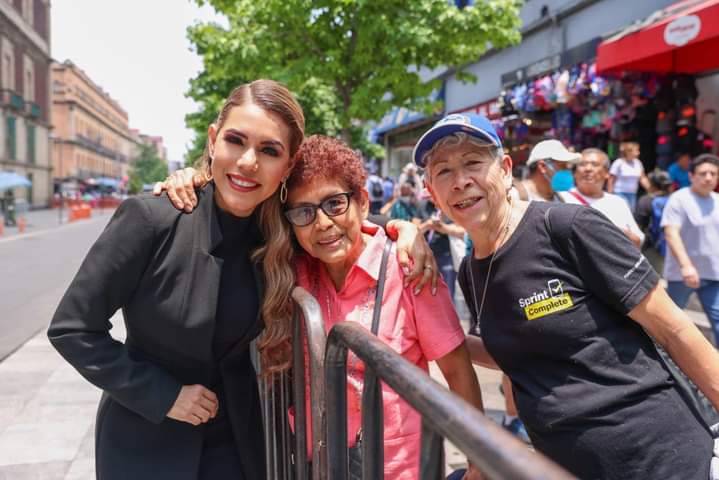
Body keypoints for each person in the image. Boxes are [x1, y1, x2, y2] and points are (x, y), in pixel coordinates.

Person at [47, 80, 435, 480]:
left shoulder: (276, 237)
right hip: (146, 442)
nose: (249, 162)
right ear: (214, 141)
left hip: (240, 446)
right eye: (236, 141)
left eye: (269, 151)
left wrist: (402, 230)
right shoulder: (151, 219)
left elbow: (339, 229)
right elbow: (72, 329)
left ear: (287, 166)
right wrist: (163, 395)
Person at [413, 112, 719, 480]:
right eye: (444, 171)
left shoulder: (569, 228)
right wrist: (434, 338)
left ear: (506, 169)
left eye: (473, 163)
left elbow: (676, 331)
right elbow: (515, 346)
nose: (460, 181)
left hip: (660, 458)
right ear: (431, 191)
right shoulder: (471, 273)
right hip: (564, 467)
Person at [285, 135, 484, 479]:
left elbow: (458, 371)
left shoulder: (409, 267)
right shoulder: (295, 271)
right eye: (304, 211)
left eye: (335, 204)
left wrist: (477, 464)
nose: (322, 223)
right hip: (317, 465)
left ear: (362, 202)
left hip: (398, 468)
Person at [661, 154, 719, 344]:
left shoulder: (717, 201)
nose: (708, 177)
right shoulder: (679, 199)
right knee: (669, 324)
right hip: (682, 276)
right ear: (692, 176)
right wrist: (686, 266)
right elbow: (671, 233)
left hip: (713, 274)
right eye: (703, 173)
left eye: (713, 173)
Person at [560, 148, 645, 248]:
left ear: (606, 173)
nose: (588, 169)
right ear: (574, 173)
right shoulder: (561, 198)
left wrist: (613, 233)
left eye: (595, 164)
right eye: (582, 164)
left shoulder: (618, 203)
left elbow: (638, 240)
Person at [634, 170, 673, 271]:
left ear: (652, 185)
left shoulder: (645, 201)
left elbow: (638, 226)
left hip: (652, 248)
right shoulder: (675, 200)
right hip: (673, 247)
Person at [607, 141, 650, 211]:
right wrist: (610, 194)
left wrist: (650, 189)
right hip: (619, 192)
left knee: (631, 213)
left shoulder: (638, 163)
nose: (638, 153)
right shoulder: (618, 163)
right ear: (628, 152)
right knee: (623, 211)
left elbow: (642, 178)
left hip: (632, 193)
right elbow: (611, 179)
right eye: (636, 151)